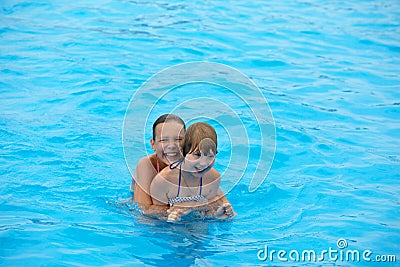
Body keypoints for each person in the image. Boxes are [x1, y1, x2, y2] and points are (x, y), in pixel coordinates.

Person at [131, 115, 234, 219]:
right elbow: (144, 210)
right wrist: (188, 206)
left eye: (179, 139)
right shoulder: (147, 165)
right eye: (163, 140)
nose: (172, 146)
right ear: (153, 145)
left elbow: (219, 199)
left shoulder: (197, 166)